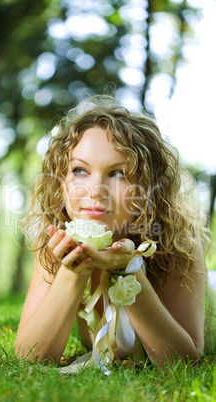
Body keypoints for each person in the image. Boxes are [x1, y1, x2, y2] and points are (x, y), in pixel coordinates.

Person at [15, 95, 216, 369]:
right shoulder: (56, 243)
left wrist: (128, 271)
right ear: (61, 181)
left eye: (119, 173)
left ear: (148, 186)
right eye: (80, 170)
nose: (95, 190)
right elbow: (31, 356)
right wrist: (73, 271)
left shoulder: (177, 242)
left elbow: (182, 361)